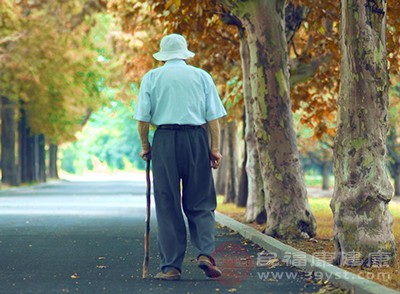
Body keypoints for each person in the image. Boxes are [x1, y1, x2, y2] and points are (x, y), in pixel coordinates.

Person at [133, 33, 227, 280]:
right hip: (196, 139)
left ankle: (171, 267)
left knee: (167, 203)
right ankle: (205, 253)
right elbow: (213, 118)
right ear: (185, 53)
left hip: (164, 140)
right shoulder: (201, 76)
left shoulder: (152, 77)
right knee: (202, 201)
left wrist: (146, 146)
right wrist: (214, 148)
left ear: (163, 55)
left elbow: (143, 119)